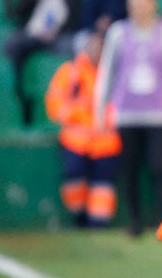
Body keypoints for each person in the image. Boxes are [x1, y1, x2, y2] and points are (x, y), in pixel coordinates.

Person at [93, 0, 162, 236]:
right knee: (129, 167)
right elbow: (107, 72)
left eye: (142, 1)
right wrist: (101, 109)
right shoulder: (118, 33)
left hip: (158, 114)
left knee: (160, 168)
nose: (138, 7)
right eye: (133, 2)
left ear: (153, 3)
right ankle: (134, 221)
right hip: (127, 113)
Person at [44, 30, 120, 227]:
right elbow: (55, 104)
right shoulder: (71, 72)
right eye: (93, 47)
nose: (97, 52)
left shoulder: (115, 74)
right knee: (73, 177)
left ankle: (98, 224)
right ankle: (78, 217)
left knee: (102, 185)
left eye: (101, 48)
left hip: (106, 141)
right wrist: (79, 112)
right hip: (75, 140)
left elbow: (122, 106)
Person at [4, 0, 81, 124]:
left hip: (59, 38)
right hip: (35, 37)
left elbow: (77, 17)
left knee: (77, 46)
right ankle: (19, 90)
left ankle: (76, 93)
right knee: (13, 43)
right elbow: (16, 15)